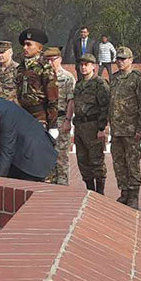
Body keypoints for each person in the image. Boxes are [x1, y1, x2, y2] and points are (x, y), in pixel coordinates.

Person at [108, 46, 141, 208]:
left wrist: (140, 128)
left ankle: (133, 194)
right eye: (118, 59)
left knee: (132, 162)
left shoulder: (138, 79)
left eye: (123, 59)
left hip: (131, 129)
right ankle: (124, 191)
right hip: (116, 129)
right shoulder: (114, 78)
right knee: (118, 161)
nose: (120, 62)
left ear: (131, 60)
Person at [71, 53, 111, 194]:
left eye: (86, 64)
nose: (83, 67)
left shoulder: (99, 84)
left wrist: (102, 128)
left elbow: (105, 107)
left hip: (93, 126)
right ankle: (90, 191)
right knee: (83, 161)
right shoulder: (79, 84)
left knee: (96, 161)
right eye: (81, 64)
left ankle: (100, 193)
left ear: (93, 66)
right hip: (80, 126)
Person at [14, 29, 60, 145]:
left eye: (29, 44)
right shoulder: (21, 68)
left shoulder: (45, 68)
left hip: (39, 117)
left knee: (38, 155)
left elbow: (53, 100)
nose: (25, 47)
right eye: (24, 44)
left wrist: (52, 125)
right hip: (22, 116)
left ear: (39, 48)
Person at [45, 46, 76, 186]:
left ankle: (63, 186)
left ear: (60, 59)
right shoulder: (44, 77)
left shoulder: (68, 77)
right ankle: (50, 184)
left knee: (62, 155)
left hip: (62, 118)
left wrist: (68, 120)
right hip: (47, 120)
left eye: (54, 59)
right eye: (48, 60)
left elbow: (71, 100)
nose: (51, 62)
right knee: (47, 153)